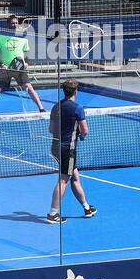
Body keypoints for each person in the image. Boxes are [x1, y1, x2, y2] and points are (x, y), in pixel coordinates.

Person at [47, 79, 96, 223]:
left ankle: (87, 208)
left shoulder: (55, 107)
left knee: (75, 177)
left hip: (55, 147)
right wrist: (81, 136)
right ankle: (53, 214)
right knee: (63, 180)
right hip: (68, 150)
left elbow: (51, 129)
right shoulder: (78, 108)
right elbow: (85, 131)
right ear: (76, 91)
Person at [0, 15, 44, 115]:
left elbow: (26, 53)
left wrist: (26, 62)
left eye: (16, 23)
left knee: (29, 87)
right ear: (8, 24)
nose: (14, 25)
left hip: (19, 67)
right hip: (5, 69)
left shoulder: (23, 37)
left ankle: (41, 108)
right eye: (12, 23)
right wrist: (2, 64)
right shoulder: (1, 37)